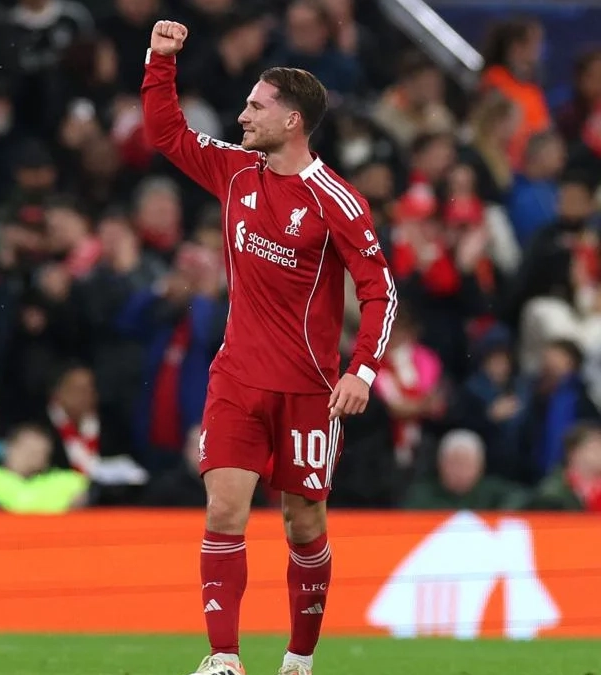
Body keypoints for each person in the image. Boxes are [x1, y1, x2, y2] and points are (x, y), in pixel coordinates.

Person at [142, 21, 396, 675]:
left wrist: (363, 369)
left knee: (303, 523)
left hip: (309, 387)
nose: (241, 114)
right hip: (237, 376)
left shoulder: (336, 200)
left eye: (255, 107)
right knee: (224, 506)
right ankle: (224, 657)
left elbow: (381, 292)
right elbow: (167, 134)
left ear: (291, 120)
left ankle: (299, 659)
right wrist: (160, 62)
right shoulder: (234, 172)